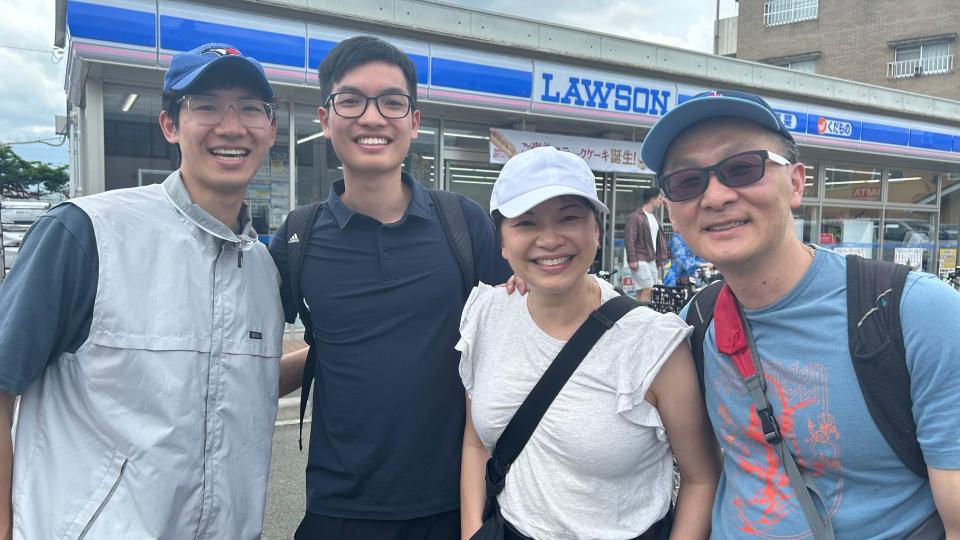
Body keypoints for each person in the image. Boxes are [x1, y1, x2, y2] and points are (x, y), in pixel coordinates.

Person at [0, 43, 299, 538]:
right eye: (206, 106)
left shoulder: (263, 271)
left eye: (250, 109)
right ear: (169, 125)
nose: (231, 126)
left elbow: (243, 382)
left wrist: (340, 350)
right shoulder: (86, 233)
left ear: (270, 130)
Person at [639, 89, 960, 538]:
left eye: (742, 168)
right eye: (687, 182)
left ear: (794, 183)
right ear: (671, 210)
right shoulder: (697, 321)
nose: (714, 196)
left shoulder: (915, 312)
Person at [269, 36, 511, 539]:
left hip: (455, 500)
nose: (372, 118)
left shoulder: (462, 223)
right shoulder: (299, 235)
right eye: (351, 100)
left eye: (392, 102)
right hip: (340, 506)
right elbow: (246, 358)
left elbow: (516, 335)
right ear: (324, 117)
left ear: (414, 121)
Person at [459, 146, 720, 540]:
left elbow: (701, 478)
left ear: (596, 231)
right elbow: (477, 443)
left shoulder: (652, 343)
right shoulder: (487, 314)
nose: (549, 239)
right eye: (526, 223)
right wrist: (471, 531)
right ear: (501, 242)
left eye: (569, 218)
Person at [624, 187, 668, 302]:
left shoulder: (654, 217)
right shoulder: (635, 217)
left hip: (651, 259)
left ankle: (637, 315)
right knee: (648, 289)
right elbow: (630, 239)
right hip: (640, 258)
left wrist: (659, 259)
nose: (661, 201)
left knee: (644, 290)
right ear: (652, 199)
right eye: (659, 198)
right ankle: (645, 317)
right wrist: (632, 259)